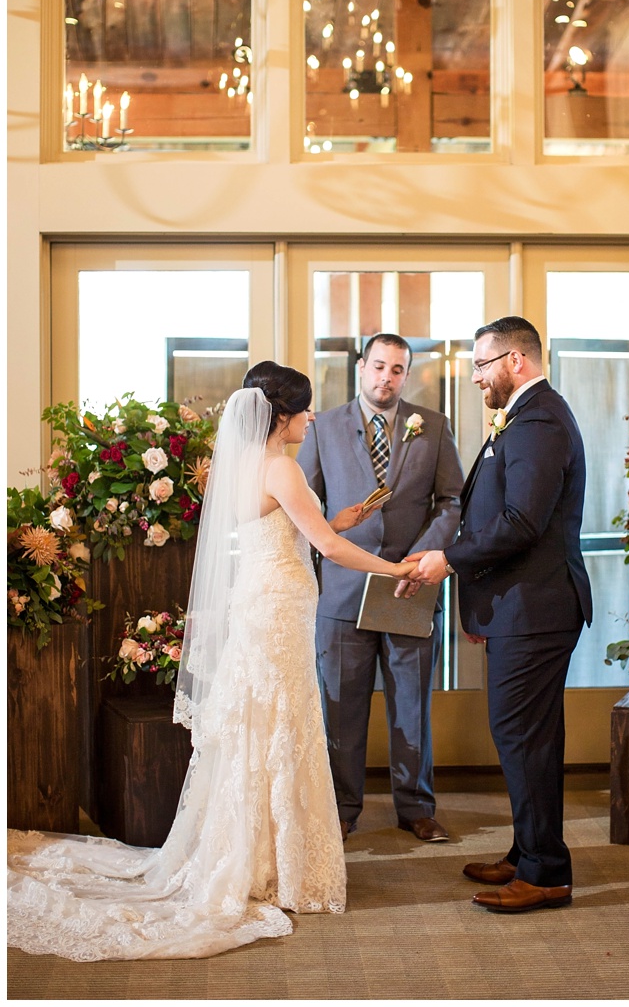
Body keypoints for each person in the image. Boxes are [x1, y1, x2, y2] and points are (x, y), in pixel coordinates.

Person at [7, 363, 417, 961]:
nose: (310, 418)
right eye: (303, 410)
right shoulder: (281, 465)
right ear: (280, 417)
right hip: (278, 611)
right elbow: (324, 548)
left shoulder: (242, 465)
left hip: (261, 605)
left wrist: (338, 518)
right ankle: (276, 867)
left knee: (260, 726)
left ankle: (251, 858)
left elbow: (295, 530)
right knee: (281, 727)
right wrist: (398, 569)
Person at [404, 317, 592, 914]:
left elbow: (520, 523)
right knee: (525, 739)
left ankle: (545, 872)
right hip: (518, 607)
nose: (476, 376)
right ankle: (526, 852)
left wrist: (448, 562)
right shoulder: (526, 417)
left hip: (535, 610)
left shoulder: (538, 421)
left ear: (515, 361)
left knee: (523, 739)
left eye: (482, 365)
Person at [298, 333, 465, 844]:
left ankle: (415, 807)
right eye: (377, 367)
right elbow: (303, 507)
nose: (385, 378)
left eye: (396, 370)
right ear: (361, 368)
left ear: (406, 375)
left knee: (411, 705)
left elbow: (452, 500)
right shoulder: (323, 427)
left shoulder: (432, 426)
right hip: (343, 590)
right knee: (341, 708)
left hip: (409, 587)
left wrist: (421, 559)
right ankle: (342, 810)